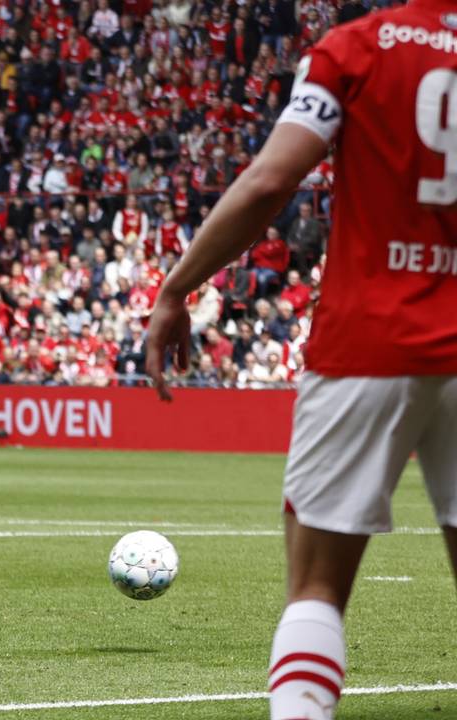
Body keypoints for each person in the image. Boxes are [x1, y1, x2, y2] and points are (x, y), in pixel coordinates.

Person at [146, 6, 457, 719]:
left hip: (368, 341)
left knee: (316, 589)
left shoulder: (354, 48)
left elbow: (268, 182)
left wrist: (177, 287)